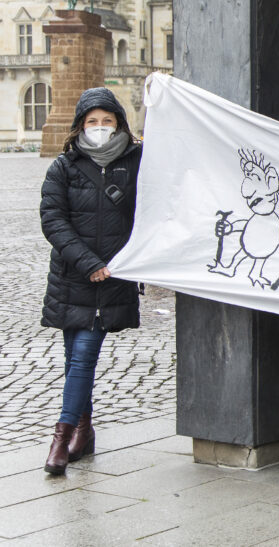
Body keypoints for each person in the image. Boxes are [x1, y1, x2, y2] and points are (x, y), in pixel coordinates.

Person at [39, 88, 143, 475]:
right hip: (73, 278)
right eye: (92, 122)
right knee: (72, 360)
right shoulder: (63, 167)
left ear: (119, 123)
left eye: (107, 121)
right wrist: (88, 263)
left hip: (112, 279)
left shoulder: (137, 162)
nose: (100, 128)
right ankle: (84, 430)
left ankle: (60, 439)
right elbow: (53, 220)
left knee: (83, 356)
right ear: (81, 125)